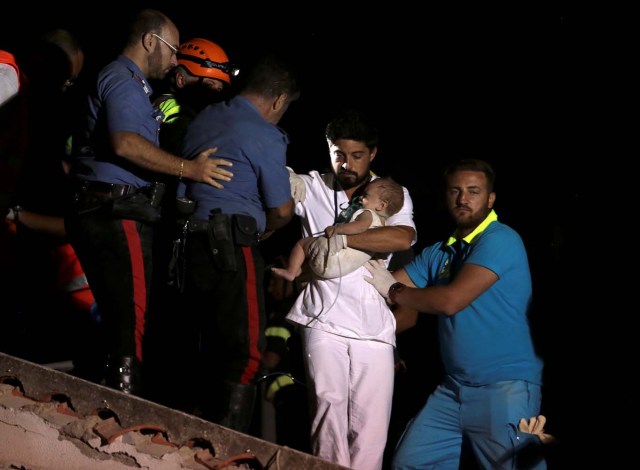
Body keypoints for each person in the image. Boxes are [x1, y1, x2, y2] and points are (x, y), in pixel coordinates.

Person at [64, 9, 231, 395]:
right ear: (149, 42)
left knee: (118, 316)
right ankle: (120, 406)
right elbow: (126, 143)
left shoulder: (132, 85)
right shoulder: (124, 81)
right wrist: (190, 170)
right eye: (173, 50)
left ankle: (103, 394)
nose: (176, 61)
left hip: (105, 205)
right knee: (129, 318)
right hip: (116, 209)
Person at [363, 158, 546, 469]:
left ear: (490, 199)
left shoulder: (501, 239)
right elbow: (377, 281)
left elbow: (450, 300)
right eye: (455, 191)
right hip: (454, 390)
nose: (463, 199)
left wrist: (393, 291)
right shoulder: (440, 251)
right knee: (409, 463)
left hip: (505, 388)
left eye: (473, 191)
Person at [284, 108, 417, 470]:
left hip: (373, 325)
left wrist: (338, 241)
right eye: (338, 154)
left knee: (371, 427)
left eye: (356, 155)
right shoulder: (313, 185)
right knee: (327, 408)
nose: (346, 163)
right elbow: (276, 186)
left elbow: (402, 237)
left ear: (372, 154)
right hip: (321, 317)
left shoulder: (390, 193)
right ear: (329, 150)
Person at [178, 52, 299, 432]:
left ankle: (183, 431)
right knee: (245, 352)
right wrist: (267, 229)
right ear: (279, 100)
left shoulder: (205, 117)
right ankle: (227, 443)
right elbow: (281, 210)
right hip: (231, 246)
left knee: (198, 345)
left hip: (185, 245)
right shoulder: (264, 133)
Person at [272, 176, 404, 281]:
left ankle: (292, 271)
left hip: (330, 258)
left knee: (301, 244)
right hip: (342, 269)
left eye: (366, 195)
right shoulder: (383, 229)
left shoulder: (368, 214)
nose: (361, 198)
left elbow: (359, 227)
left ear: (381, 205)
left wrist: (338, 229)